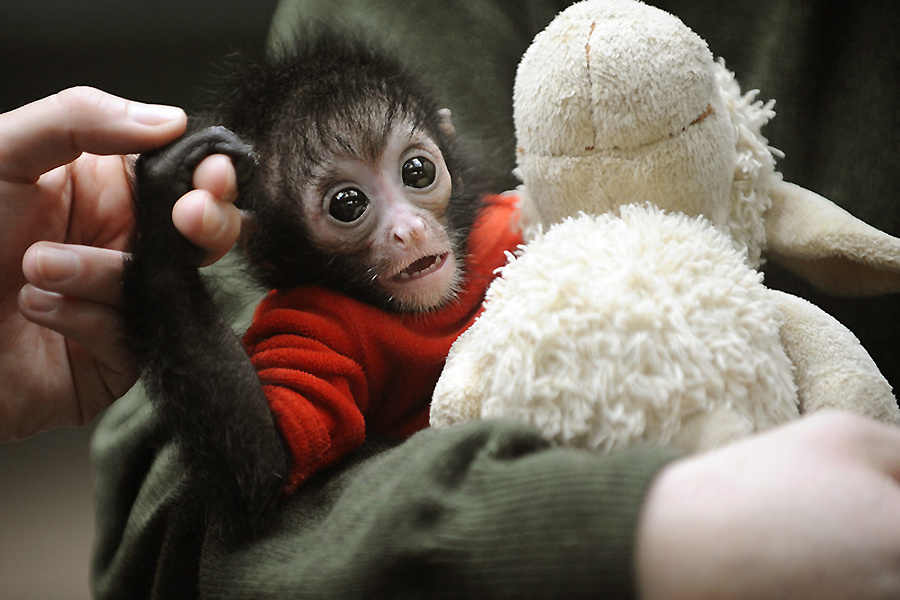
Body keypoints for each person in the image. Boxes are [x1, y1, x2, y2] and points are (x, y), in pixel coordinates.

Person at [2, 2, 899, 599]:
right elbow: (251, 477)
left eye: (414, 176)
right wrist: (166, 293)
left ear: (447, 146)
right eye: (346, 206)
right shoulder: (320, 331)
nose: (401, 229)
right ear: (271, 234)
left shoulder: (519, 220)